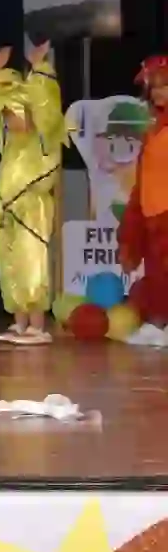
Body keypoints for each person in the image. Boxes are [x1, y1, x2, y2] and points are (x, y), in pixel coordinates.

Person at [0, 42, 62, 344]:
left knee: (32, 263)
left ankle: (37, 326)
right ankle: (19, 323)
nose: (9, 119)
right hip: (8, 206)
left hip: (32, 204)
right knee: (10, 263)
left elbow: (46, 102)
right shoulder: (9, 144)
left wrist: (39, 68)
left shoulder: (41, 139)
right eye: (6, 114)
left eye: (14, 112)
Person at [118, 57, 168, 341]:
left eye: (164, 86)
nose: (158, 92)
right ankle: (158, 322)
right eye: (154, 87)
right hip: (152, 213)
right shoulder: (151, 130)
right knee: (156, 273)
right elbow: (143, 178)